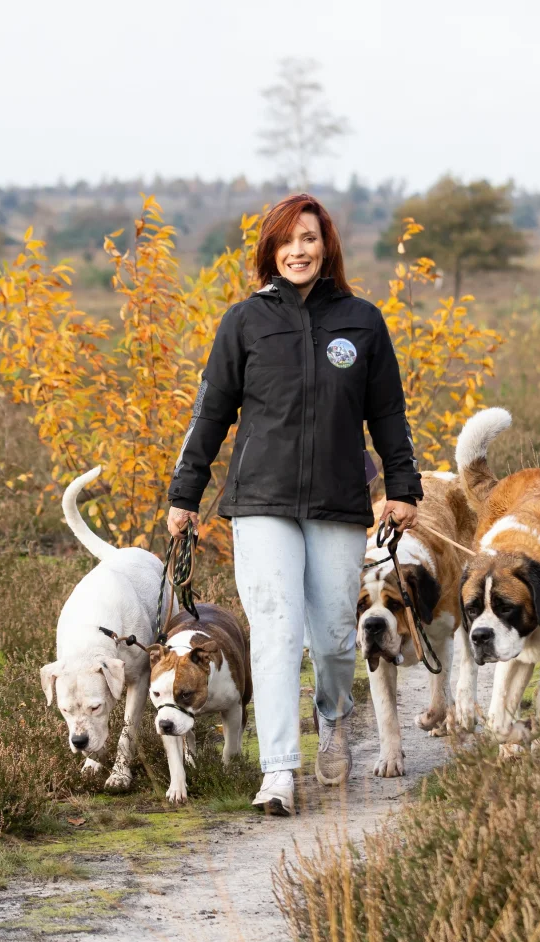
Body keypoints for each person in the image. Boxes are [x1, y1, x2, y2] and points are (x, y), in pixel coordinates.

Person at [166, 194, 422, 815]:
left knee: (335, 637)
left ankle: (334, 718)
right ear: (270, 250)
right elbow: (211, 413)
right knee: (277, 633)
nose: (298, 250)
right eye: (287, 240)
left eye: (309, 238)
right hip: (261, 498)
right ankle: (278, 771)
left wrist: (403, 486)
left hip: (339, 499)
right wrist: (184, 495)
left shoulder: (362, 321)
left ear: (326, 245)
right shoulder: (244, 322)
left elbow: (387, 411)